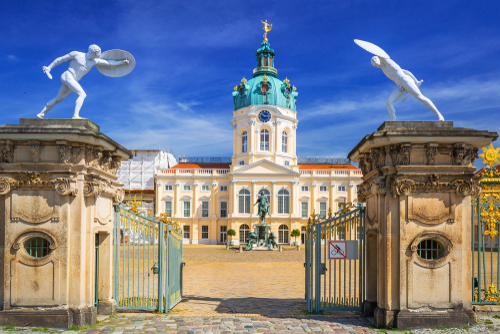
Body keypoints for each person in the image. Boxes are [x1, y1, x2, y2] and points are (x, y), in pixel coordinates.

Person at [37, 44, 129, 119]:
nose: (97, 56)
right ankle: (75, 116)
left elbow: (109, 63)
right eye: (96, 54)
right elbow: (60, 59)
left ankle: (41, 114)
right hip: (68, 76)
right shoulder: (76, 54)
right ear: (92, 53)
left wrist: (122, 61)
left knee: (58, 99)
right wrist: (49, 67)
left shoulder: (94, 61)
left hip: (72, 80)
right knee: (82, 94)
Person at [370, 56, 444, 121]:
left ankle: (439, 114)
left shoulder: (388, 62)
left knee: (420, 97)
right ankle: (394, 122)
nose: (374, 62)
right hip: (400, 86)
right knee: (388, 102)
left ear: (379, 58)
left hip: (405, 80)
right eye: (372, 62)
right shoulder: (384, 70)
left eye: (374, 59)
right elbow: (404, 71)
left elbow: (404, 72)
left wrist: (415, 81)